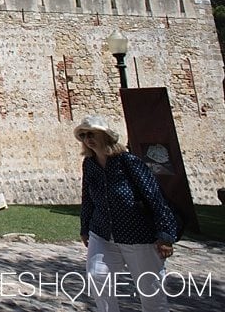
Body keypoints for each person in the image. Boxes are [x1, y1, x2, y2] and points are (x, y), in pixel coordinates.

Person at [77, 115, 179, 312]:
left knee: (150, 293)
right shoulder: (89, 164)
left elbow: (153, 196)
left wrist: (165, 234)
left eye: (92, 134)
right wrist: (84, 228)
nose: (87, 138)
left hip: (138, 235)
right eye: (83, 135)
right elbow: (87, 198)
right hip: (103, 232)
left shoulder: (128, 161)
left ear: (105, 135)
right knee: (97, 276)